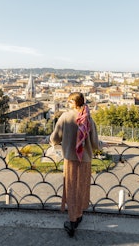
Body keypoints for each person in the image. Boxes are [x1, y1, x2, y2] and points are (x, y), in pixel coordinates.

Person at [49, 92, 100, 237]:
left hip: (70, 159)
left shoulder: (65, 117)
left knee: (70, 188)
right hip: (85, 160)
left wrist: (49, 140)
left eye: (69, 101)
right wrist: (102, 144)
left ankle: (72, 221)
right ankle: (78, 215)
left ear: (73, 102)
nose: (67, 104)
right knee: (81, 188)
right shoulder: (88, 118)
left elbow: (55, 138)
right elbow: (95, 143)